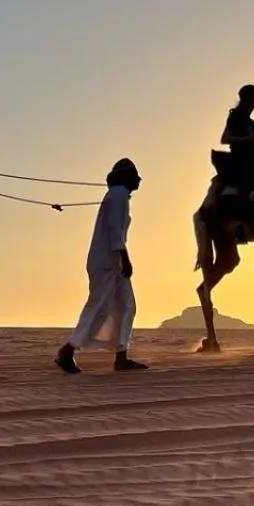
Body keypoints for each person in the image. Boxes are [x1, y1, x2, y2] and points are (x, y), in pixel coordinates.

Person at [55, 158, 148, 374]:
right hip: (107, 262)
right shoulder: (118, 195)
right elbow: (116, 230)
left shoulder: (118, 195)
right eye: (135, 175)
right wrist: (125, 257)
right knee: (98, 306)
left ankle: (121, 356)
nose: (138, 180)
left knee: (127, 306)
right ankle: (67, 351)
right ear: (128, 178)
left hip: (112, 262)